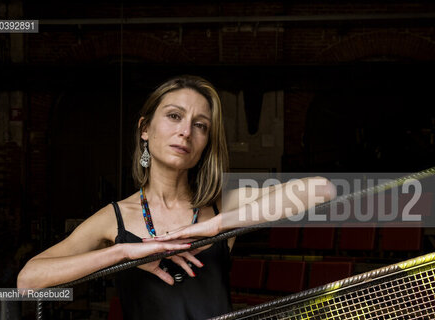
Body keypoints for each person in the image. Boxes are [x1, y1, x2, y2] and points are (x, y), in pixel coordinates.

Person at [17, 75, 336, 319]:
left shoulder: (221, 205)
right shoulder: (114, 218)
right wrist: (124, 253)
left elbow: (322, 189)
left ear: (205, 143)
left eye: (200, 125)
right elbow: (28, 281)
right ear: (145, 128)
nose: (186, 131)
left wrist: (214, 227)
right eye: (174, 116)